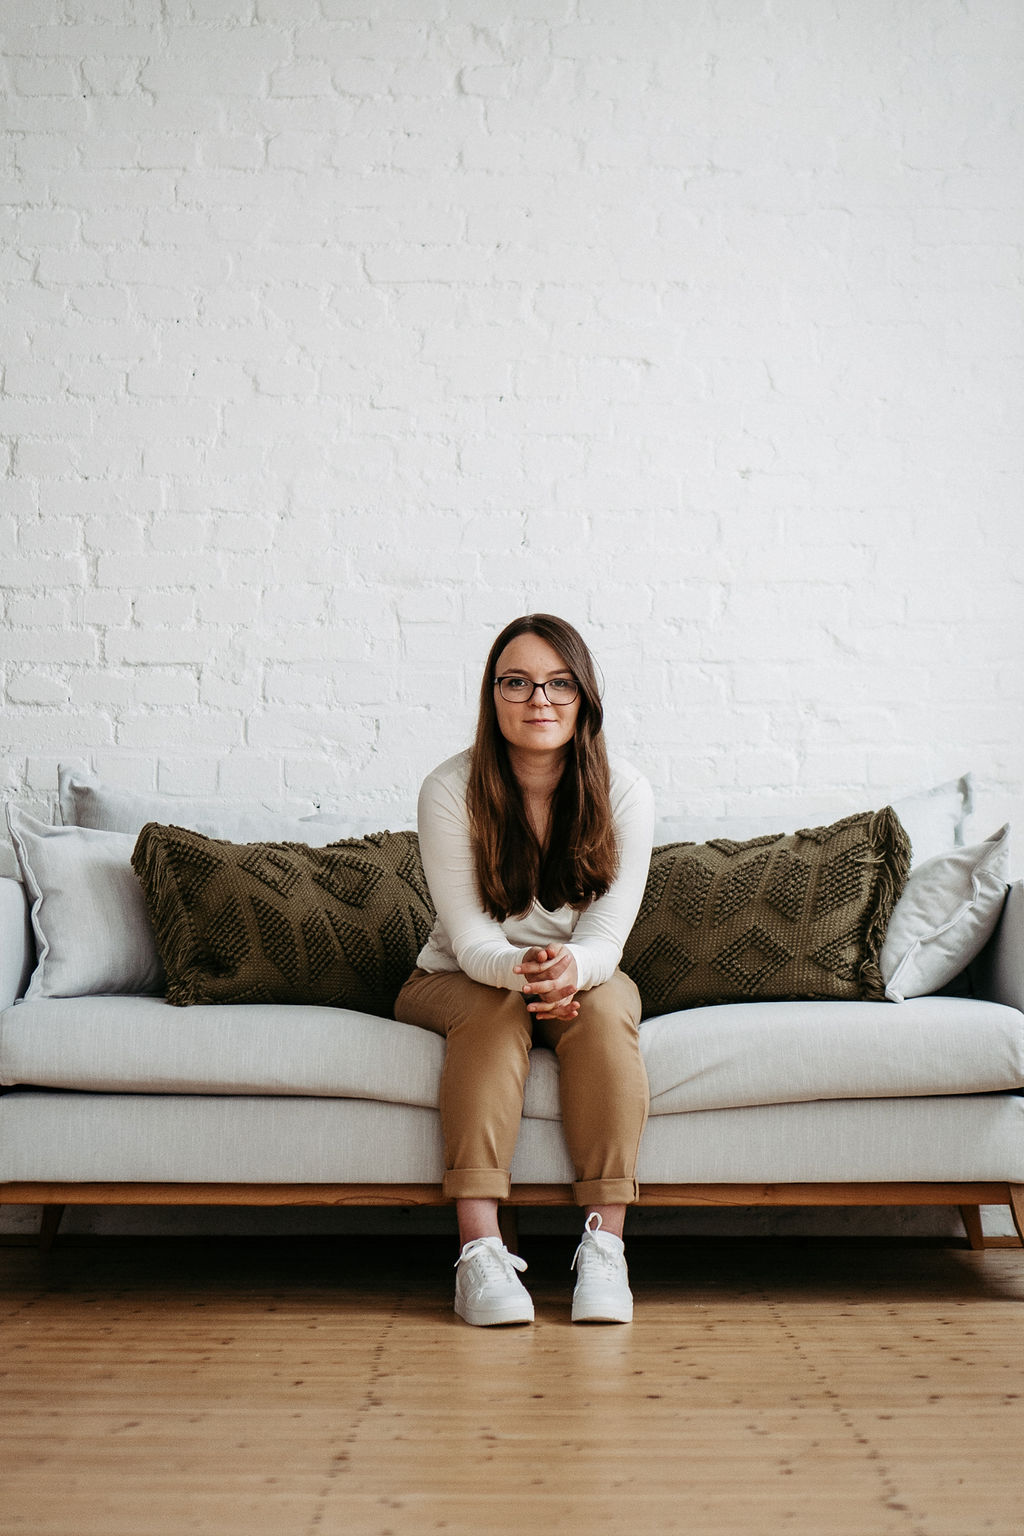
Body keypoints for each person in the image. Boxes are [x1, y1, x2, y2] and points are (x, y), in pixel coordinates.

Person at [394, 614, 655, 1326]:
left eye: (558, 683)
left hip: (584, 976)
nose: (538, 699)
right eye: (517, 682)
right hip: (459, 976)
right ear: (493, 695)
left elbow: (608, 939)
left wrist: (569, 968)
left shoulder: (625, 791)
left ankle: (605, 1249)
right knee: (494, 1007)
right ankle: (479, 1254)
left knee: (607, 1008)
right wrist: (531, 973)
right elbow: (473, 941)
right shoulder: (450, 788)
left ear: (584, 698)